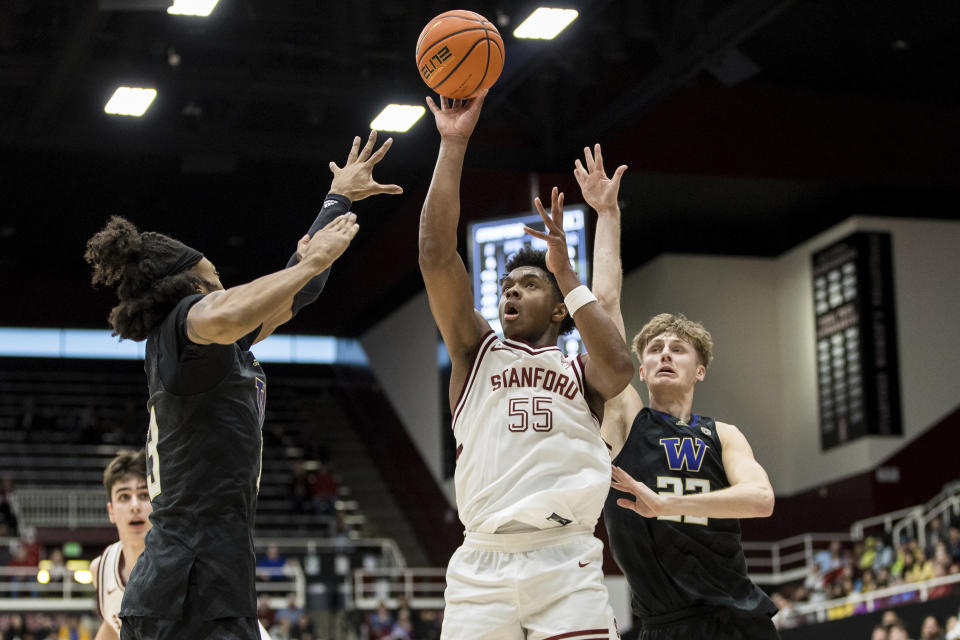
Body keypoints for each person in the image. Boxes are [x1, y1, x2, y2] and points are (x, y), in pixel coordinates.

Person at [84, 131, 401, 640]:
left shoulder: (217, 346)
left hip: (208, 572)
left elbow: (294, 291)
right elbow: (235, 306)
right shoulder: (182, 326)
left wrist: (337, 199)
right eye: (213, 277)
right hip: (185, 583)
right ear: (189, 288)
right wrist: (316, 258)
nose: (224, 286)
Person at [419, 91, 634, 639]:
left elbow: (619, 365)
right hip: (482, 563)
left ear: (561, 305)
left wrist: (571, 265)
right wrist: (453, 144)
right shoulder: (476, 350)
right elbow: (436, 254)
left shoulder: (581, 372)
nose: (510, 293)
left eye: (529, 284)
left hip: (565, 559)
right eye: (506, 287)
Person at [579, 142, 779, 639]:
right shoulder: (627, 420)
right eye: (655, 349)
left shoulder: (723, 434)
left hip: (741, 619)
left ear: (701, 371)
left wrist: (666, 506)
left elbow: (760, 499)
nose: (665, 354)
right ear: (641, 371)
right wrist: (607, 214)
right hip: (668, 626)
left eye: (679, 349)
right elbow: (605, 306)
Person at [90, 450, 152, 639]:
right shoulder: (100, 568)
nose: (135, 506)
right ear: (111, 511)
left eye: (143, 495)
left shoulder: (180, 560)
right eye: (124, 497)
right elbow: (112, 626)